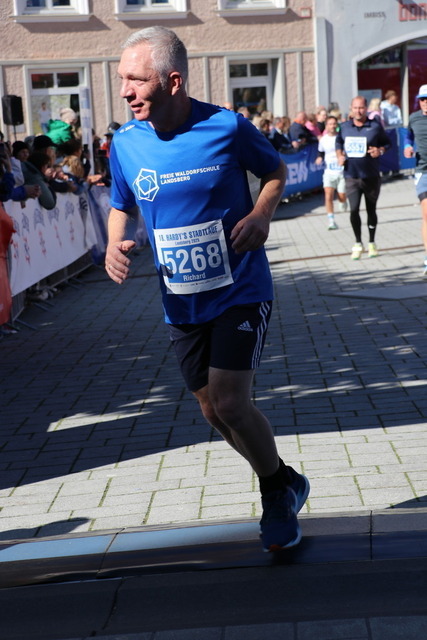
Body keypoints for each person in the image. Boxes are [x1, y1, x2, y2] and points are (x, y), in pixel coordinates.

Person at [105, 25, 310, 552]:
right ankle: (284, 478)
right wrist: (113, 244)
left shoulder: (227, 127)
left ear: (173, 81)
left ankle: (275, 495)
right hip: (181, 298)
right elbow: (121, 205)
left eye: (136, 80)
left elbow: (275, 172)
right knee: (212, 410)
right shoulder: (125, 143)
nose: (125, 91)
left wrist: (262, 215)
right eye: (122, 79)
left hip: (240, 288)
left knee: (231, 402)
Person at [336, 95, 391, 260]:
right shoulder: (344, 127)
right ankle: (358, 242)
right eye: (355, 108)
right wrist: (339, 155)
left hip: (371, 175)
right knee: (353, 210)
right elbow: (338, 142)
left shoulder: (375, 126)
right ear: (351, 109)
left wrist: (380, 151)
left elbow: (387, 143)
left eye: (361, 108)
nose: (358, 111)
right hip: (351, 175)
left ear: (366, 108)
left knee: (371, 210)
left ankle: (372, 242)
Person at [404, 84, 427, 276]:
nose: (425, 102)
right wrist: (407, 146)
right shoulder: (414, 118)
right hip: (423, 171)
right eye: (423, 99)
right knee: (426, 214)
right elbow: (408, 136)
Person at [315, 115, 347, 230]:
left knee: (341, 196)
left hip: (341, 172)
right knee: (328, 196)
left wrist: (343, 156)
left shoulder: (342, 137)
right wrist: (319, 158)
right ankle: (331, 221)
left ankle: (343, 201)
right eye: (330, 124)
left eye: (334, 124)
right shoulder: (323, 140)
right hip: (329, 172)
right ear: (326, 126)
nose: (332, 126)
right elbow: (321, 152)